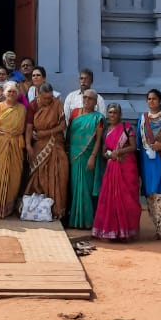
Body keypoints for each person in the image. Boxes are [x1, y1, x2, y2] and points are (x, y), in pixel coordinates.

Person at [92, 103, 141, 242]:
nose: (112, 115)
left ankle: (125, 232)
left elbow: (133, 146)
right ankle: (111, 231)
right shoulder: (107, 130)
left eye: (114, 113)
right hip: (112, 170)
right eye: (110, 112)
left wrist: (119, 152)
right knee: (110, 199)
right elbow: (103, 151)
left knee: (127, 200)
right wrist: (108, 155)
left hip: (126, 168)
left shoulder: (127, 128)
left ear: (120, 114)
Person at [136, 89, 161, 243]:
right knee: (150, 196)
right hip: (147, 162)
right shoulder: (142, 119)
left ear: (160, 101)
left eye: (154, 99)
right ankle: (157, 228)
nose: (151, 101)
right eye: (149, 99)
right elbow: (139, 143)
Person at [24, 83, 69, 219]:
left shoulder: (57, 104)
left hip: (56, 143)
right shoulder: (33, 106)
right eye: (45, 98)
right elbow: (29, 128)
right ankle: (36, 209)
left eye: (50, 98)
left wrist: (47, 132)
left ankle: (57, 210)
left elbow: (62, 125)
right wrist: (28, 146)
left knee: (59, 172)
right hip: (39, 145)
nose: (48, 101)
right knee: (38, 177)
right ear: (39, 96)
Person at [0, 80, 27, 217]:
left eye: (14, 91)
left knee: (15, 176)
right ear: (4, 93)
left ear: (18, 94)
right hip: (0, 143)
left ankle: (9, 207)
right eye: (9, 91)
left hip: (16, 144)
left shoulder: (22, 108)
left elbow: (25, 128)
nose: (11, 93)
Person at [67, 88, 104, 229]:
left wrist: (93, 157)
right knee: (74, 187)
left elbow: (98, 140)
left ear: (95, 102)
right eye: (85, 98)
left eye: (90, 98)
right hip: (74, 156)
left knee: (86, 189)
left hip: (88, 156)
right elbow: (69, 134)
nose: (86, 100)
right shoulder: (75, 113)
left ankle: (87, 221)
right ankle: (75, 221)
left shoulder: (98, 118)